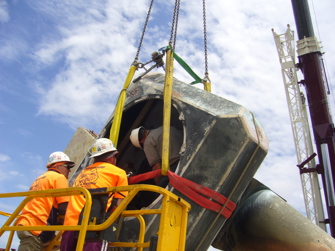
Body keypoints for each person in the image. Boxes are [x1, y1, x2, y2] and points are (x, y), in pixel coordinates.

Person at [60, 138, 128, 251]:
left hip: (70, 225)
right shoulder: (118, 172)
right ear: (111, 158)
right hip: (95, 227)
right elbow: (120, 204)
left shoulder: (82, 173)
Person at [16, 151, 75, 251]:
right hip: (37, 227)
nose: (69, 171)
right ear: (57, 165)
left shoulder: (40, 178)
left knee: (55, 246)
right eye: (67, 167)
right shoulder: (59, 177)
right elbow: (65, 206)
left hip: (28, 223)